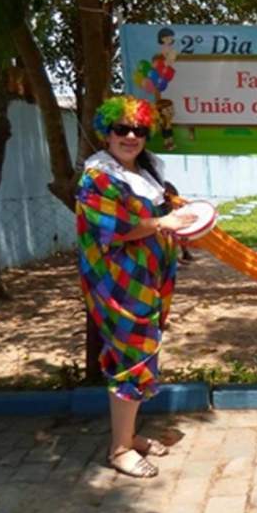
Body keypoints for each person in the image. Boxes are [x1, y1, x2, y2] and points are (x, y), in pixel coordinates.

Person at [76, 95, 195, 478]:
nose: (130, 136)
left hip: (149, 279)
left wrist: (180, 216)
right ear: (106, 132)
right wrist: (163, 224)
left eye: (139, 130)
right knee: (131, 355)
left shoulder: (146, 174)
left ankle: (128, 433)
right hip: (119, 282)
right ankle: (120, 449)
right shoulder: (98, 178)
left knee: (145, 350)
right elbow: (115, 229)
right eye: (121, 129)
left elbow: (160, 214)